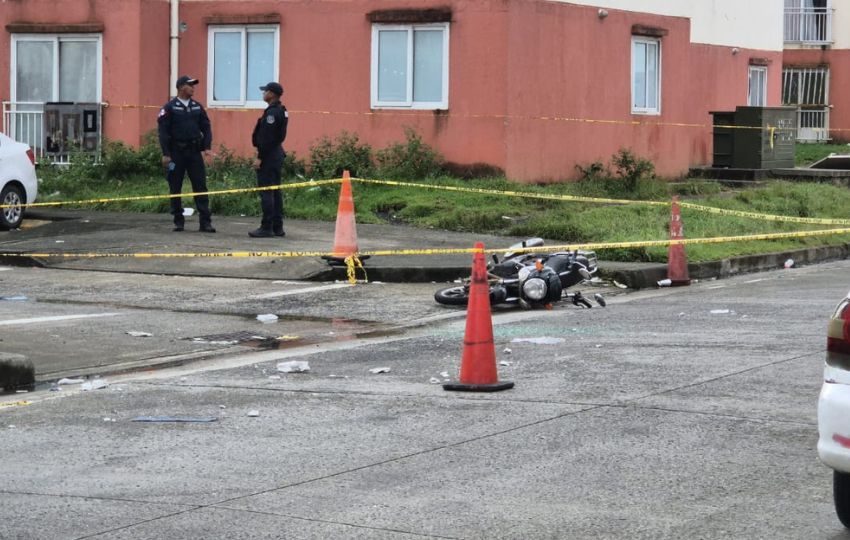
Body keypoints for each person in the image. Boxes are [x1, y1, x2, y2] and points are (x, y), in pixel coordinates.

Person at [157, 75, 216, 233]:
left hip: (194, 153)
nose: (193, 88)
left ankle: (205, 222)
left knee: (200, 186)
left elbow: (206, 127)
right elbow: (163, 132)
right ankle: (178, 220)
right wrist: (166, 154)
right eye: (190, 85)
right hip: (176, 154)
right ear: (181, 87)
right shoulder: (169, 107)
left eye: (193, 85)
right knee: (175, 186)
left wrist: (207, 147)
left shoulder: (197, 107)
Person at [249, 81, 288, 238]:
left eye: (265, 91)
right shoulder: (281, 110)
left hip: (269, 156)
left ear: (272, 94)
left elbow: (267, 138)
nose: (263, 94)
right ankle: (277, 227)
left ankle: (267, 227)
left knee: (267, 192)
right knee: (275, 191)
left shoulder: (272, 113)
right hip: (276, 154)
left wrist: (260, 157)